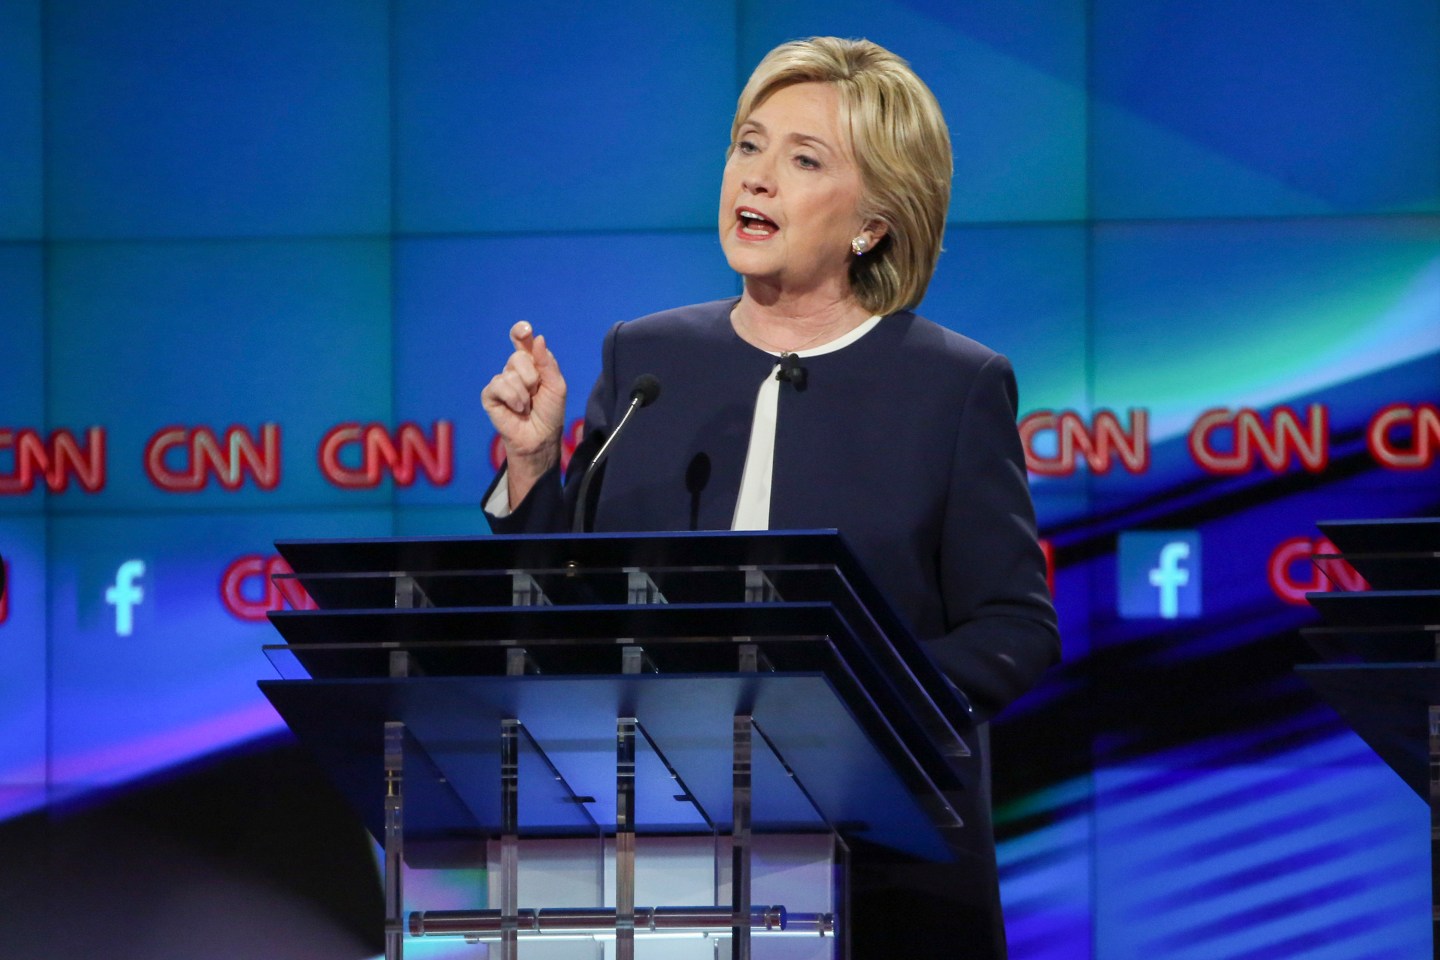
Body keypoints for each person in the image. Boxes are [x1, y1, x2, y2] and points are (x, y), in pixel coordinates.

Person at [482, 36, 1059, 959]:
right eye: (748, 146)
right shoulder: (647, 359)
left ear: (874, 220)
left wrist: (853, 720)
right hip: (652, 867)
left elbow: (1013, 628)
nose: (757, 180)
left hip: (881, 873)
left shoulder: (952, 387)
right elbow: (567, 605)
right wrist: (532, 468)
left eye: (803, 160)